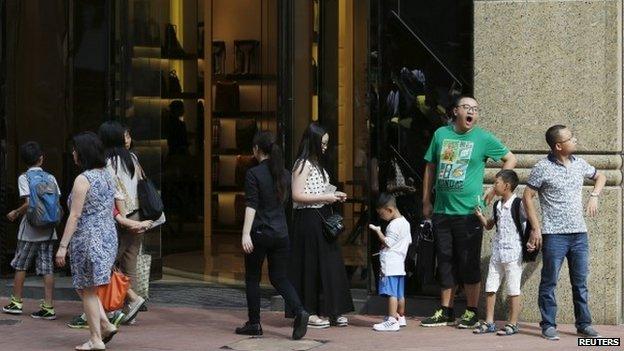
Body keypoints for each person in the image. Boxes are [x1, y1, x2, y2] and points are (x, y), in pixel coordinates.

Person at [421, 95, 517, 328]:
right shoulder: (440, 135)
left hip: (470, 213)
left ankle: (472, 311)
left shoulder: (482, 138)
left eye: (475, 109)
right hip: (443, 210)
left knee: (468, 262)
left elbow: (510, 159)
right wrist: (425, 201)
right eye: (466, 107)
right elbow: (430, 167)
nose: (471, 112)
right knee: (445, 261)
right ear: (455, 111)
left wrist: (494, 190)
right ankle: (446, 311)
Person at [523, 125, 606, 340]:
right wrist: (536, 227)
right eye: (571, 138)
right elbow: (527, 196)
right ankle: (548, 324)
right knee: (549, 281)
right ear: (558, 146)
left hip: (579, 234)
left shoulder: (579, 164)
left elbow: (601, 176)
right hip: (554, 235)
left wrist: (595, 195)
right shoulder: (542, 167)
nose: (575, 140)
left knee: (580, 283)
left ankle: (584, 324)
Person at [235, 131, 309, 340]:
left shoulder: (253, 174)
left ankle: (254, 323)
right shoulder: (284, 174)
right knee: (279, 278)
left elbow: (251, 204)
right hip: (281, 233)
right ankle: (300, 310)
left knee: (252, 278)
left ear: (257, 149)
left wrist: (245, 234)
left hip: (260, 232)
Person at [55, 132, 119, 350]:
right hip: (108, 237)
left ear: (83, 153)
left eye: (75, 149)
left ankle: (95, 338)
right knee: (85, 287)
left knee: (87, 289)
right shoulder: (108, 176)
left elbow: (74, 215)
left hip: (88, 238)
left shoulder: (83, 179)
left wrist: (62, 246)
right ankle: (105, 325)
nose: (73, 153)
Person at [290, 123, 353, 328]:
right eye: (323, 143)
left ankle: (331, 310)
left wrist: (333, 195)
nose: (326, 147)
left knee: (330, 264)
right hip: (308, 219)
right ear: (314, 142)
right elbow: (297, 195)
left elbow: (319, 190)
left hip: (321, 216)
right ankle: (309, 312)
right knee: (311, 266)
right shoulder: (302, 164)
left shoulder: (317, 163)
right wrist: (327, 196)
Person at [3, 142, 61, 320]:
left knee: (21, 264)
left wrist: (15, 212)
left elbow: (28, 204)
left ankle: (16, 302)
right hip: (49, 229)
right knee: (47, 268)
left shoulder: (24, 178)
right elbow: (57, 201)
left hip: (30, 230)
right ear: (41, 158)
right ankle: (48, 306)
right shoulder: (51, 177)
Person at [99, 120, 149, 324]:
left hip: (122, 217)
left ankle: (112, 306)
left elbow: (114, 191)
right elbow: (142, 182)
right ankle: (131, 307)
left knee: (106, 262)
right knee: (130, 261)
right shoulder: (132, 158)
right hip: (138, 213)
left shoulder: (108, 162)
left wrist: (121, 217)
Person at [473, 170, 526, 336]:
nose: (494, 186)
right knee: (490, 286)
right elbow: (490, 225)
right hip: (497, 252)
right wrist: (480, 216)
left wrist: (532, 240)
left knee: (513, 288)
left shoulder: (519, 204)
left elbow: (528, 225)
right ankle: (489, 322)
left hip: (513, 253)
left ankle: (513, 323)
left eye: (496, 183)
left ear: (507, 185)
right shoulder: (497, 205)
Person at [369, 192, 411, 332]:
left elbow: (388, 242)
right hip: (400, 262)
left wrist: (378, 231)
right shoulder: (405, 223)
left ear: (390, 210)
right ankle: (400, 317)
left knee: (391, 293)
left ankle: (392, 319)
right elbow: (408, 241)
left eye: (382, 214)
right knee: (400, 293)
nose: (381, 217)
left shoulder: (393, 225)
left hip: (391, 263)